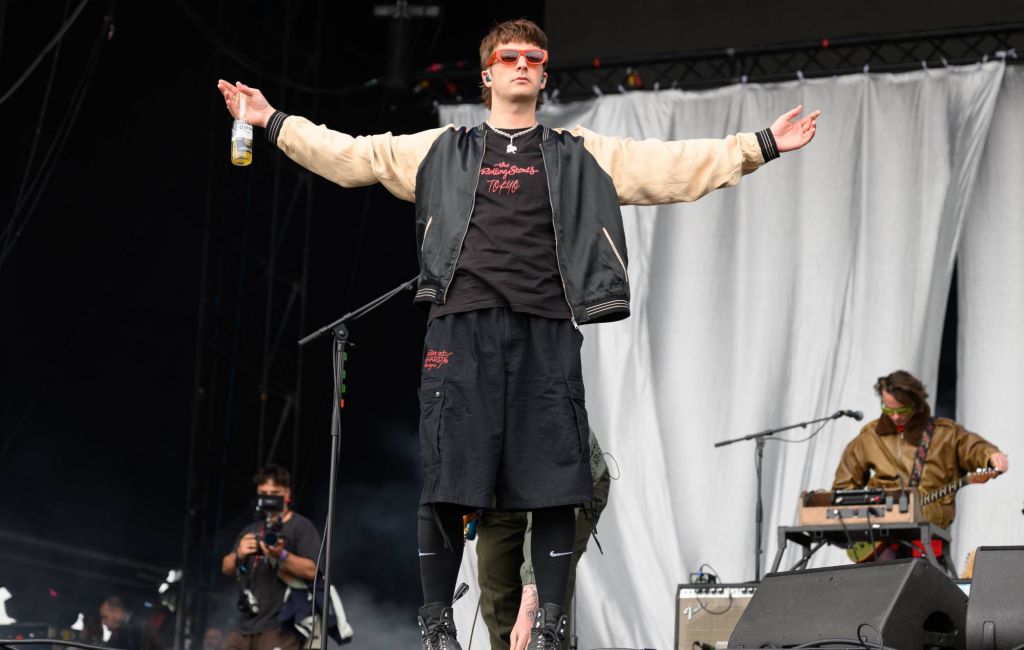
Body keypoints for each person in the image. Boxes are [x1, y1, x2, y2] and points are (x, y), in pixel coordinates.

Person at [216, 18, 818, 650]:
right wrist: (270, 119)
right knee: (449, 481)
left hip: (547, 331)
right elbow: (352, 156)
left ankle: (552, 623)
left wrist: (760, 145)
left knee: (555, 484)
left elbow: (669, 166)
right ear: (489, 73)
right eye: (511, 56)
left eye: (536, 56)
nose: (524, 64)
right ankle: (437, 624)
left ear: (544, 73)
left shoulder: (577, 151)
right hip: (461, 329)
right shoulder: (443, 148)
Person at [832, 370, 1009, 560]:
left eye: (902, 410)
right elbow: (844, 488)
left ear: (916, 405)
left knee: (925, 585)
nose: (895, 417)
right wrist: (858, 513)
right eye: (888, 409)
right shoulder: (870, 436)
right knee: (880, 580)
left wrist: (991, 455)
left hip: (928, 532)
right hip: (880, 536)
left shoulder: (945, 433)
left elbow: (973, 447)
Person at [476, 428, 611, 650]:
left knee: (546, 617)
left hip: (565, 486)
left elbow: (551, 517)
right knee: (495, 592)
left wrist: (533, 601)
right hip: (501, 496)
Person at [221, 464, 320, 650]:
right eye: (264, 493)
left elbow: (312, 571)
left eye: (274, 492)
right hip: (245, 624)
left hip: (281, 625)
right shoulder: (251, 529)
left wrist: (281, 554)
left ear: (287, 494)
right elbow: (226, 567)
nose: (269, 498)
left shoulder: (300, 527)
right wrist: (240, 553)